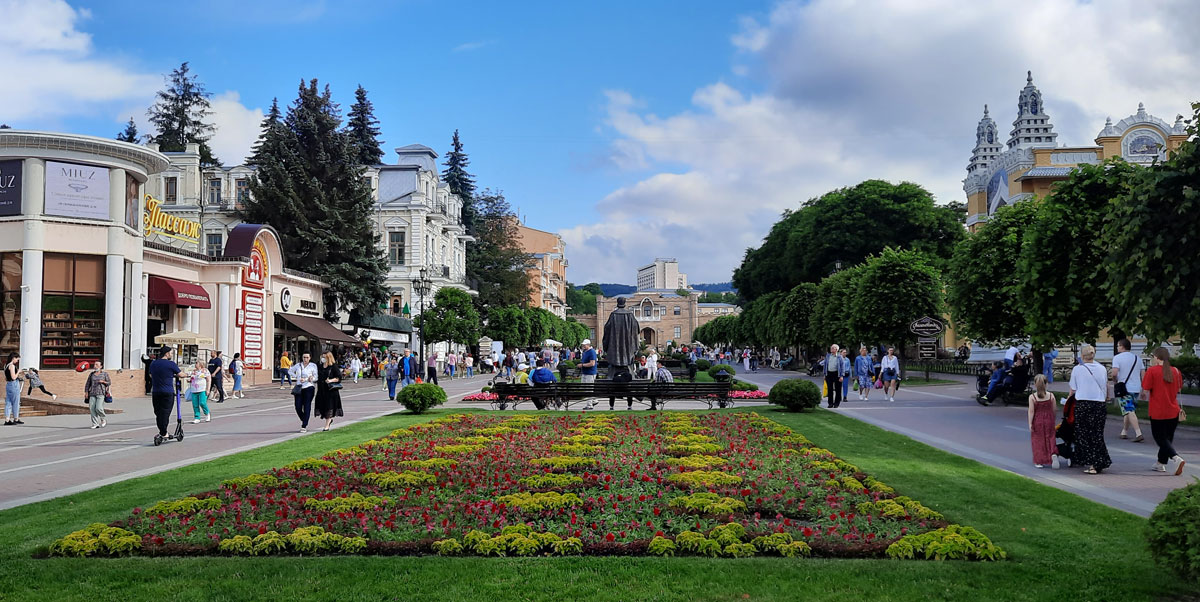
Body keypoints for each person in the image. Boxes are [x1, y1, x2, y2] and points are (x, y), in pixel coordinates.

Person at [1069, 344, 1111, 474]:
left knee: (1084, 434)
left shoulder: (1077, 369)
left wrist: (1068, 402)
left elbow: (1073, 389)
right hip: (1099, 404)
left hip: (1083, 404)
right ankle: (1101, 460)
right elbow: (1105, 385)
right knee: (1097, 434)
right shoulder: (1102, 368)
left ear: (1082, 355)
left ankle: (1093, 463)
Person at [1143, 347, 1186, 475]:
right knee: (1167, 438)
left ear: (1156, 357)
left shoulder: (1152, 371)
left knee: (1159, 438)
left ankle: (1176, 458)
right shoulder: (1176, 371)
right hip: (1173, 410)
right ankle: (1160, 464)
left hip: (1157, 410)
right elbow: (1178, 388)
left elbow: (1146, 388)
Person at [1111, 339, 1144, 442]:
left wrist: (1115, 381)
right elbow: (1143, 373)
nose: (1117, 347)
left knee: (1129, 410)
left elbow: (1114, 373)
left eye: (1118, 346)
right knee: (1129, 410)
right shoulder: (1137, 358)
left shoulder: (1117, 358)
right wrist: (1143, 388)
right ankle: (1124, 431)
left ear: (1122, 346)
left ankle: (1138, 433)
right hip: (1136, 388)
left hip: (1124, 389)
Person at [148, 346, 182, 441]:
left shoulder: (153, 364)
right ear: (166, 354)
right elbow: (180, 374)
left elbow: (150, 375)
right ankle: (163, 432)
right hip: (167, 392)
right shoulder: (171, 364)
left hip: (156, 392)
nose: (171, 354)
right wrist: (187, 375)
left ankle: (163, 432)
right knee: (165, 412)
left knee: (158, 412)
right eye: (170, 353)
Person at [1028, 374, 1059, 469]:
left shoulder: (1032, 397)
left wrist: (1030, 423)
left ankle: (1039, 461)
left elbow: (1031, 411)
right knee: (1051, 438)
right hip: (1049, 419)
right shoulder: (1051, 396)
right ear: (1046, 384)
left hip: (1038, 420)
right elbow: (1054, 409)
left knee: (1038, 440)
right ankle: (1053, 453)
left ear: (1035, 385)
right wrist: (1053, 418)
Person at [289, 352, 318, 433]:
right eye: (304, 357)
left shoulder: (313, 366)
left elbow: (316, 377)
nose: (305, 359)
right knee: (297, 406)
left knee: (306, 406)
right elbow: (290, 371)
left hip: (309, 387)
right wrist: (297, 377)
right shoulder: (298, 365)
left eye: (307, 357)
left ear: (310, 358)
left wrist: (311, 378)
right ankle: (304, 418)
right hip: (299, 387)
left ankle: (304, 425)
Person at [316, 351, 343, 431]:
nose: (323, 359)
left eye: (325, 357)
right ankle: (329, 420)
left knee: (329, 407)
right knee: (323, 407)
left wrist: (331, 380)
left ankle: (327, 424)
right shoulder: (319, 366)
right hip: (321, 390)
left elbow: (339, 377)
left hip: (330, 391)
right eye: (322, 357)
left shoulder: (333, 366)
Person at [83, 361, 110, 429]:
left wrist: (103, 382)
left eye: (97, 364)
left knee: (99, 408)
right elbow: (88, 383)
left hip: (101, 393)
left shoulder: (104, 374)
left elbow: (109, 382)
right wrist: (86, 392)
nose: (95, 366)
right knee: (92, 409)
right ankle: (95, 424)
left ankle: (103, 419)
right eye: (94, 364)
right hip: (92, 393)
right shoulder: (92, 374)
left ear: (101, 366)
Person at [186, 359, 211, 424]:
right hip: (194, 389)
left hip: (202, 389)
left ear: (200, 364)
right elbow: (192, 378)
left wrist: (208, 389)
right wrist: (189, 380)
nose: (195, 364)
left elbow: (208, 380)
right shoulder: (194, 371)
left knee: (202, 403)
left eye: (196, 363)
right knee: (195, 404)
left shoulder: (205, 371)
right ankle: (197, 417)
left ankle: (207, 413)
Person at [4, 352, 22, 425]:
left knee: (8, 402)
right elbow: (13, 377)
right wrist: (18, 372)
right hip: (14, 384)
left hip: (8, 384)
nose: (17, 361)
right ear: (13, 358)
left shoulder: (6, 365)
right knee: (16, 402)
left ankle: (7, 419)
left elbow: (6, 378)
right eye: (17, 359)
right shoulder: (12, 366)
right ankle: (16, 418)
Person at [823, 344, 842, 408]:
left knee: (838, 389)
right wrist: (825, 374)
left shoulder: (839, 357)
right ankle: (830, 403)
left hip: (837, 374)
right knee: (830, 389)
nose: (832, 349)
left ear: (836, 349)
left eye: (833, 348)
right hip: (829, 374)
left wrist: (841, 376)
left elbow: (842, 367)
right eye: (831, 348)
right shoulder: (828, 356)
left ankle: (836, 403)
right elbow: (825, 365)